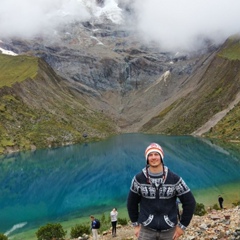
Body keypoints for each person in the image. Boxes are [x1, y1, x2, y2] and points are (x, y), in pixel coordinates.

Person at [127, 143, 196, 240]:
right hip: (146, 230)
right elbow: (131, 203)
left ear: (161, 156)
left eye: (156, 154)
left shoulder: (174, 179)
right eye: (150, 155)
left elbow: (190, 202)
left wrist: (182, 227)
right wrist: (135, 225)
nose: (153, 157)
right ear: (147, 158)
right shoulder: (138, 179)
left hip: (169, 230)